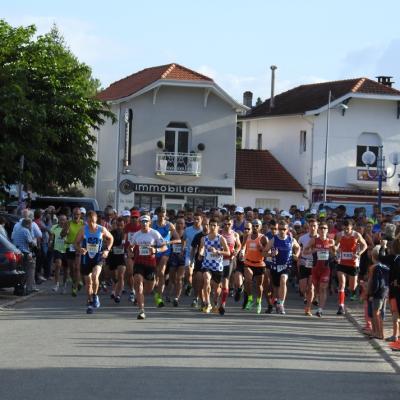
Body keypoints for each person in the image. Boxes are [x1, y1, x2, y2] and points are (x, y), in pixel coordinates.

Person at [75, 211, 114, 314]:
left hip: (98, 257)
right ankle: (89, 302)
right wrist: (80, 249)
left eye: (92, 221)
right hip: (86, 258)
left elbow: (111, 238)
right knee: (88, 283)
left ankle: (95, 295)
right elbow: (76, 243)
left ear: (96, 219)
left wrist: (107, 250)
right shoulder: (83, 230)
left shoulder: (101, 229)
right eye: (89, 221)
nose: (91, 223)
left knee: (95, 276)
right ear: (86, 220)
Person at [129, 214, 167, 320]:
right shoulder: (136, 235)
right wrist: (131, 251)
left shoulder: (154, 233)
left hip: (150, 264)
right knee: (138, 282)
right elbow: (130, 247)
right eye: (142, 221)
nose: (144, 223)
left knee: (149, 289)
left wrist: (156, 250)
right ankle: (141, 310)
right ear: (140, 223)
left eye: (146, 221)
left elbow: (164, 247)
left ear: (150, 222)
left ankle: (139, 297)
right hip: (139, 262)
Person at [266, 220, 301, 314]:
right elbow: (263, 252)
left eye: (284, 229)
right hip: (275, 267)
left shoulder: (291, 239)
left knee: (283, 279)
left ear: (287, 230)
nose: (282, 231)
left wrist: (296, 255)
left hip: (287, 266)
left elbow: (298, 247)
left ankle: (281, 304)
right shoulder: (273, 240)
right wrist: (271, 254)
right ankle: (277, 302)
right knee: (276, 288)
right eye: (280, 229)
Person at [335, 219, 368, 315]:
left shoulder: (356, 235)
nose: (346, 230)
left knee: (352, 287)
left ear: (351, 227)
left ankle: (362, 286)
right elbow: (337, 245)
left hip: (353, 263)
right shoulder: (340, 235)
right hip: (342, 262)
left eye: (348, 228)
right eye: (344, 228)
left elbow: (365, 245)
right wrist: (336, 250)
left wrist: (359, 254)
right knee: (342, 284)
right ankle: (341, 306)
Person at [303, 222, 336, 317]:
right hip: (315, 268)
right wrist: (313, 250)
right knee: (317, 288)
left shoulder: (330, 241)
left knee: (323, 288)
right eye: (321, 228)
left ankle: (320, 310)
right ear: (318, 230)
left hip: (326, 268)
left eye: (324, 228)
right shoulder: (314, 240)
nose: (322, 230)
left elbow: (335, 254)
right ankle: (316, 298)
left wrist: (332, 251)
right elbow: (304, 251)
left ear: (327, 230)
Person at [198, 218, 230, 313]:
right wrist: (200, 254)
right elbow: (202, 248)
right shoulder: (204, 238)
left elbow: (228, 252)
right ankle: (208, 304)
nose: (212, 227)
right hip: (206, 264)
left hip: (217, 266)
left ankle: (215, 301)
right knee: (206, 280)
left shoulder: (221, 239)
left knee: (216, 290)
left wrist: (218, 251)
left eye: (214, 225)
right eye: (210, 225)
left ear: (218, 227)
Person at [152, 206, 179, 307]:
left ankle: (159, 297)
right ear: (157, 215)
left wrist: (169, 242)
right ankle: (156, 291)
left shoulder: (169, 225)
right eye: (160, 216)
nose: (162, 218)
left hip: (165, 251)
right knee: (154, 275)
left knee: (161, 273)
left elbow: (178, 239)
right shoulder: (152, 224)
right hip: (155, 250)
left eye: (163, 216)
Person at [242, 219, 269, 314]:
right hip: (248, 263)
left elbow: (268, 252)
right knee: (247, 281)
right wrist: (241, 252)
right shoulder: (247, 236)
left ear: (260, 227)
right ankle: (249, 299)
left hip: (259, 264)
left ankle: (258, 301)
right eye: (253, 225)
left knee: (259, 285)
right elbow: (243, 246)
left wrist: (262, 249)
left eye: (257, 225)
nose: (255, 227)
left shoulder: (263, 238)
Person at [219, 216, 241, 315]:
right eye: (225, 224)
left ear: (232, 224)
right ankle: (222, 304)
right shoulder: (219, 233)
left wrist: (236, 250)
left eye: (229, 224)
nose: (227, 226)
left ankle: (238, 290)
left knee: (231, 280)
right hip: (219, 259)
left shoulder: (235, 234)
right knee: (224, 281)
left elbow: (239, 245)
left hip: (230, 259)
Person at [367, 246, 389, 339]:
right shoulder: (386, 267)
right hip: (385, 291)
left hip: (378, 292)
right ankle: (379, 333)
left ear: (373, 257)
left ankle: (378, 333)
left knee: (376, 313)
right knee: (381, 313)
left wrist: (372, 293)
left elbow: (377, 282)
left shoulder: (376, 268)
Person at [298, 219, 319, 315]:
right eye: (311, 225)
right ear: (308, 227)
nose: (313, 228)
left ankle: (308, 308)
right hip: (304, 263)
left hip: (315, 264)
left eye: (314, 226)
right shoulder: (302, 238)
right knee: (303, 289)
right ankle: (306, 297)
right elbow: (298, 251)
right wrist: (298, 262)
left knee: (311, 287)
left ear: (317, 227)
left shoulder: (321, 238)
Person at [12, 218, 38, 293]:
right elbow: (31, 243)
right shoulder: (26, 230)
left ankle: (17, 287)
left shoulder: (17, 230)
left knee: (19, 270)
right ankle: (25, 288)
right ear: (27, 224)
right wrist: (35, 244)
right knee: (27, 270)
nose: (31, 226)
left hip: (16, 252)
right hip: (24, 253)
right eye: (30, 224)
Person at [63, 207, 84, 297]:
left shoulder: (83, 224)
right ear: (72, 215)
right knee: (71, 269)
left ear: (80, 215)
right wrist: (65, 232)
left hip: (78, 247)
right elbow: (62, 234)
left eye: (78, 214)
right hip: (70, 246)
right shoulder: (68, 223)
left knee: (77, 267)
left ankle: (74, 287)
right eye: (75, 214)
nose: (76, 216)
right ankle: (77, 281)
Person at [166, 217, 185, 307]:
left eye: (181, 223)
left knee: (179, 278)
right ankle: (168, 295)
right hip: (173, 257)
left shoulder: (186, 234)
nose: (179, 225)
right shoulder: (172, 233)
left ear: (184, 225)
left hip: (183, 258)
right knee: (172, 278)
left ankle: (177, 297)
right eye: (177, 223)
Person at [109, 217, 127, 303]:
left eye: (121, 225)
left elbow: (128, 243)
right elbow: (107, 242)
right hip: (112, 256)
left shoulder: (125, 233)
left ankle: (118, 295)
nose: (119, 227)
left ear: (124, 225)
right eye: (118, 225)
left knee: (121, 276)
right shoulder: (111, 233)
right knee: (114, 277)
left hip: (122, 257)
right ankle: (115, 287)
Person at [50, 214, 68, 293]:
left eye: (64, 220)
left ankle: (64, 285)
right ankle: (56, 284)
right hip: (57, 249)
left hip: (66, 250)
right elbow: (51, 236)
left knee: (66, 270)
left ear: (66, 221)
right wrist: (50, 242)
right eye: (61, 220)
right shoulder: (54, 227)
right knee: (58, 265)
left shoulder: (68, 228)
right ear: (59, 220)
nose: (62, 221)